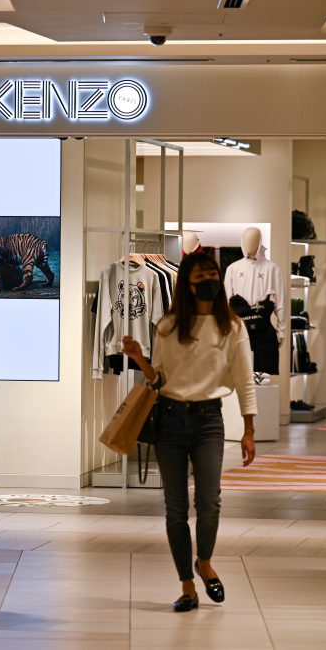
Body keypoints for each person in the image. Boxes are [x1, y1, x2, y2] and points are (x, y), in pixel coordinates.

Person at [122, 252, 257, 613]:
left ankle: (205, 562)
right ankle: (187, 585)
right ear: (187, 281)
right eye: (201, 274)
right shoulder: (168, 325)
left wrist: (249, 429)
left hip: (208, 420)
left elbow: (245, 380)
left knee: (209, 501)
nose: (209, 279)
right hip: (169, 420)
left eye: (213, 273)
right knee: (175, 509)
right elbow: (159, 380)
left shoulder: (232, 326)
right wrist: (138, 358)